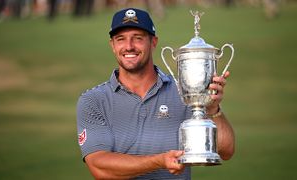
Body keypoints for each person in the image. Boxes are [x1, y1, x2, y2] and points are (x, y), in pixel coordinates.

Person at [76, 8, 235, 179]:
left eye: (138, 38)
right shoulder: (94, 100)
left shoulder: (183, 92)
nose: (129, 46)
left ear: (153, 42)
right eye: (121, 39)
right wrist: (159, 161)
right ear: (112, 46)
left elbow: (225, 150)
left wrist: (213, 109)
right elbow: (100, 168)